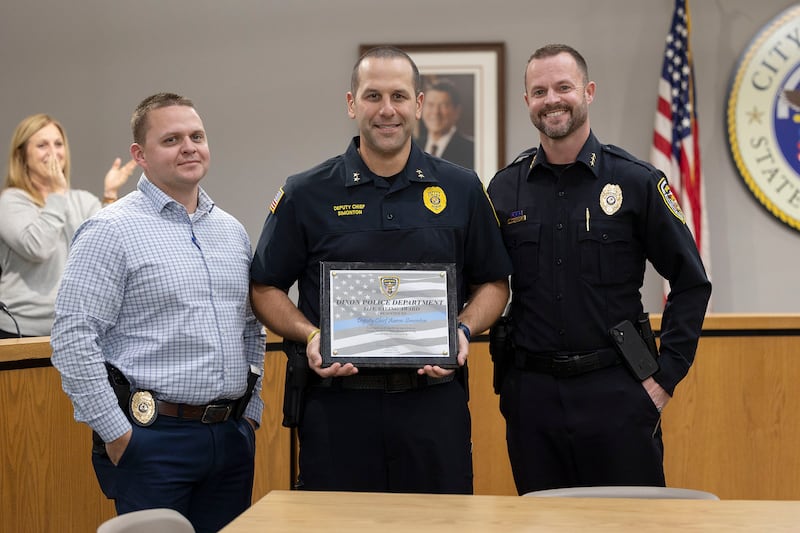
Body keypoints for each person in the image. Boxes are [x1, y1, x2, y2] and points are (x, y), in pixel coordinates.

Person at [250, 46, 511, 494]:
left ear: (419, 105)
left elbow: (494, 283)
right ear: (352, 104)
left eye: (399, 96)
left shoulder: (462, 187)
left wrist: (462, 331)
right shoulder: (305, 192)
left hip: (434, 406)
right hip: (337, 409)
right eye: (373, 96)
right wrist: (311, 335)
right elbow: (264, 287)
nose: (386, 110)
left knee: (440, 527)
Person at [487, 44, 712, 495]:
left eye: (564, 87)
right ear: (527, 101)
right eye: (539, 90)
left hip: (619, 393)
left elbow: (691, 282)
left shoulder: (636, 181)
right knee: (540, 527)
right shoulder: (504, 188)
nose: (552, 98)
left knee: (631, 526)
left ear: (588, 92)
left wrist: (665, 378)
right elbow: (485, 280)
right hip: (532, 398)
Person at [50, 93, 265, 533]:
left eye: (196, 136)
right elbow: (72, 338)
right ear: (140, 155)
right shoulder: (110, 231)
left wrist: (251, 414)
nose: (189, 147)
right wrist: (117, 435)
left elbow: (251, 328)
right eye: (171, 139)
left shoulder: (231, 232)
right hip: (151, 439)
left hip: (230, 437)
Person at [0, 114, 136, 338]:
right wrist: (56, 193)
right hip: (20, 330)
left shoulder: (83, 200)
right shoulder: (11, 201)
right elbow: (38, 247)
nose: (53, 152)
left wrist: (110, 195)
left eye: (58, 144)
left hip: (73, 329)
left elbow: (106, 252)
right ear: (22, 154)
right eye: (42, 145)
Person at [418, 78, 475, 169]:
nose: (436, 112)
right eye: (430, 105)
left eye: (443, 105)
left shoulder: (472, 149)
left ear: (457, 111)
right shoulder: (413, 147)